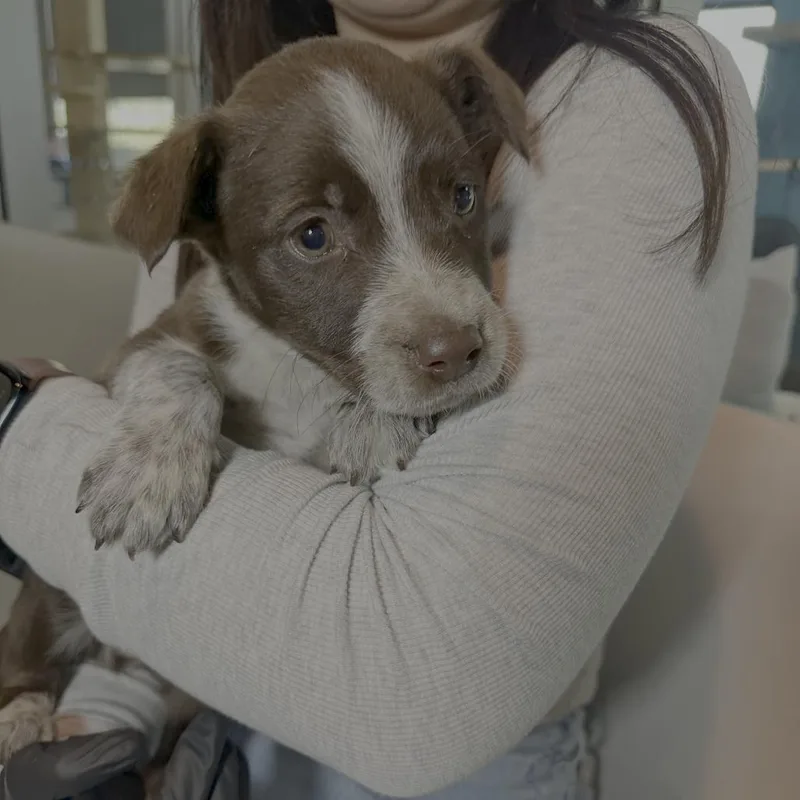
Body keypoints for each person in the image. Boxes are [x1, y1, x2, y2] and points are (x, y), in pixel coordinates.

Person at [0, 0, 757, 797]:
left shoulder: (635, 90)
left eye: (460, 200)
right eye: (316, 236)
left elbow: (423, 686)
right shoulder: (236, 141)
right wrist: (110, 709)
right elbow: (139, 534)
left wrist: (25, 428)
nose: (448, 328)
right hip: (210, 735)